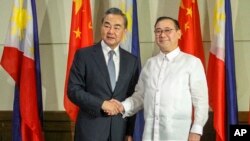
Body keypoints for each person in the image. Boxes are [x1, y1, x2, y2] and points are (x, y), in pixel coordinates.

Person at [111, 16, 209, 141]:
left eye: (168, 30)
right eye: (158, 31)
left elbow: (201, 101)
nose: (162, 34)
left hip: (179, 135)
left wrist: (196, 130)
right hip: (149, 135)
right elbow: (140, 97)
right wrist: (122, 106)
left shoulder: (192, 63)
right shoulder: (150, 64)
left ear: (179, 33)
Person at [67, 7, 139, 141]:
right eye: (107, 26)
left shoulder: (131, 61)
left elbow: (132, 95)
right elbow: (73, 90)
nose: (111, 31)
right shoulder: (84, 55)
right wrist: (102, 104)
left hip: (119, 131)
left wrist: (129, 132)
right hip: (90, 131)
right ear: (101, 27)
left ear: (125, 31)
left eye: (117, 27)